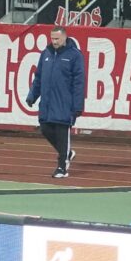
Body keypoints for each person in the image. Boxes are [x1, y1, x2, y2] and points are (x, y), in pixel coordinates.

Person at [25, 26, 84, 179]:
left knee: (62, 134)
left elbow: (79, 82)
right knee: (45, 129)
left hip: (65, 104)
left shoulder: (75, 56)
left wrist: (77, 106)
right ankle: (67, 153)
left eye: (57, 38)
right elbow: (38, 77)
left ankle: (62, 167)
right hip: (47, 103)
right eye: (53, 38)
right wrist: (32, 95)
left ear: (64, 37)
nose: (54, 41)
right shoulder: (46, 54)